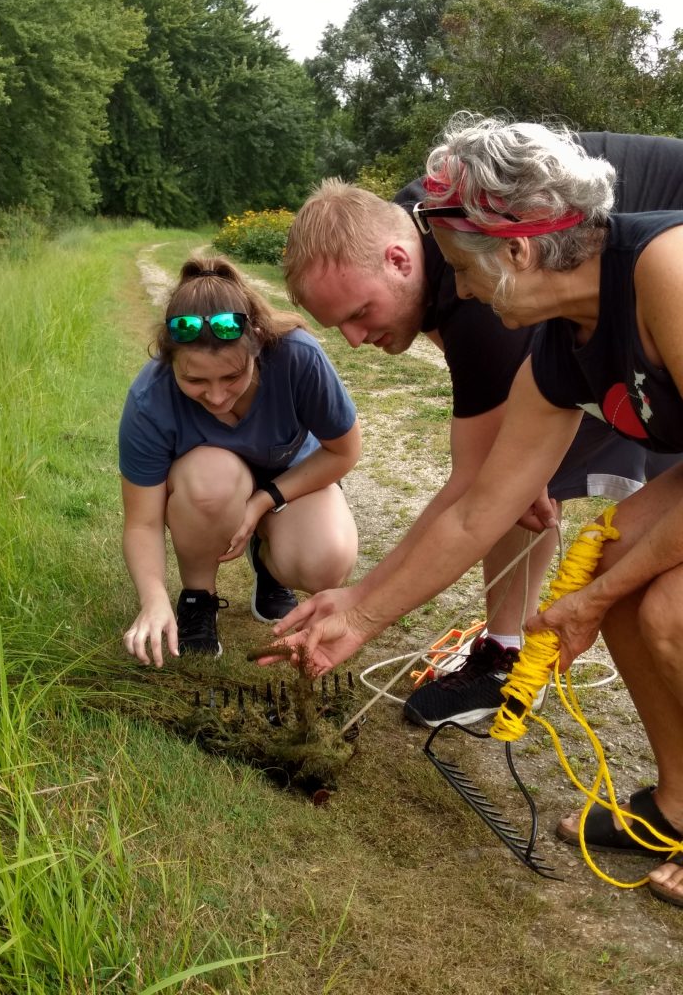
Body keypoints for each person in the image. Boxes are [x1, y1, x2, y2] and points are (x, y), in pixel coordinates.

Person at [268, 115, 683, 908]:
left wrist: (590, 600)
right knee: (618, 562)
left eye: (460, 269)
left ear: (517, 250)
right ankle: (676, 806)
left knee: (662, 606)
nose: (456, 290)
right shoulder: (562, 343)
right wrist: (357, 616)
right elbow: (476, 509)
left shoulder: (666, 267)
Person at [119, 255, 360, 663]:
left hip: (291, 479)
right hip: (212, 483)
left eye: (232, 376)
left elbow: (344, 451)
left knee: (328, 560)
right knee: (213, 478)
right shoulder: (149, 398)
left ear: (258, 346)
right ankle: (197, 598)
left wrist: (264, 499)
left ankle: (269, 566)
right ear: (168, 360)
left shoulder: (298, 357)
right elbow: (142, 522)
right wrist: (152, 596)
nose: (215, 396)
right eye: (194, 380)